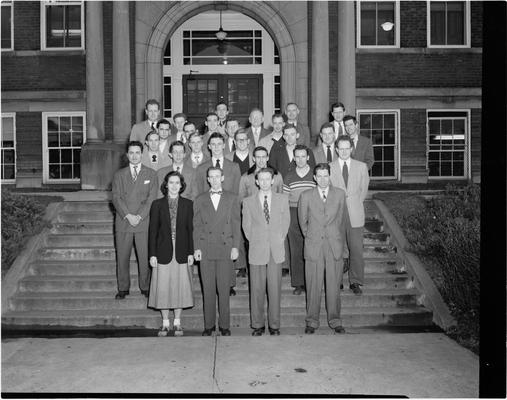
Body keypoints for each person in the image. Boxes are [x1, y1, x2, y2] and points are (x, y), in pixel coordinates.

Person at [298, 163, 347, 334]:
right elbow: (303, 223)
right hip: (314, 245)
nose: (323, 179)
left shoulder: (340, 194)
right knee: (313, 285)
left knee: (334, 286)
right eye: (319, 176)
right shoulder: (305, 196)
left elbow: (341, 222)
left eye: (326, 175)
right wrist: (313, 237)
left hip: (333, 245)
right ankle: (312, 321)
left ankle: (335, 320)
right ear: (314, 177)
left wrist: (341, 245)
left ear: (330, 175)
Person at [193, 166, 241, 336]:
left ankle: (225, 325)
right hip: (206, 248)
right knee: (208, 288)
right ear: (207, 179)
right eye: (211, 177)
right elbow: (196, 226)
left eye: (217, 176)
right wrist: (197, 248)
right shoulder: (199, 199)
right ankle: (209, 325)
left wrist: (236, 246)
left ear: (222, 178)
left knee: (223, 289)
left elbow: (236, 224)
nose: (214, 180)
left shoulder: (232, 198)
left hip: (225, 247)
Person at [242, 167, 290, 336]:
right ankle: (257, 325)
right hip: (257, 249)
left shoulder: (283, 199)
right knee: (256, 289)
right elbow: (246, 228)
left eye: (267, 179)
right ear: (256, 181)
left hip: (275, 250)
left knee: (275, 289)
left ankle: (274, 325)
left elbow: (285, 224)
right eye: (260, 179)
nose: (264, 182)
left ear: (272, 180)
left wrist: (276, 239)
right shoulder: (248, 202)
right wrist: (257, 241)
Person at [148, 171, 194, 337]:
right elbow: (152, 231)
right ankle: (165, 322)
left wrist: (191, 252)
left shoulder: (188, 204)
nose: (174, 186)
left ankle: (178, 322)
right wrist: (152, 254)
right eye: (171, 182)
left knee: (180, 286)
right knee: (163, 287)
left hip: (182, 250)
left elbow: (191, 230)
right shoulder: (157, 205)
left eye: (177, 183)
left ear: (181, 186)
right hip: (163, 251)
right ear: (166, 185)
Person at [112, 141, 158, 300]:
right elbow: (116, 198)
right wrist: (128, 215)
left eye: (137, 152)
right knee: (122, 257)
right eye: (131, 153)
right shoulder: (119, 175)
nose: (134, 156)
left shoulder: (151, 174)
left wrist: (139, 216)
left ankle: (145, 287)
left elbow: (152, 198)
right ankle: (123, 288)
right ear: (127, 155)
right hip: (124, 221)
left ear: (142, 154)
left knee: (144, 257)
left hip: (143, 222)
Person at [329, 135, 369, 295]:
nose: (344, 151)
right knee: (336, 248)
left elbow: (363, 190)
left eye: (347, 148)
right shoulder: (330, 167)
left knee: (356, 248)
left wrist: (354, 203)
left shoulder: (361, 167)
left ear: (351, 149)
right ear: (336, 149)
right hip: (336, 213)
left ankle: (356, 281)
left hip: (355, 211)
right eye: (341, 148)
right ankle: (337, 280)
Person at [282, 145, 316, 295]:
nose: (300, 159)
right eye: (297, 157)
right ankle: (298, 283)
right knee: (296, 249)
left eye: (303, 156)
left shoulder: (315, 175)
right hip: (293, 212)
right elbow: (284, 200)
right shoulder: (288, 176)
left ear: (308, 157)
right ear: (294, 158)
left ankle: (312, 281)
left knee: (312, 248)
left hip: (312, 213)